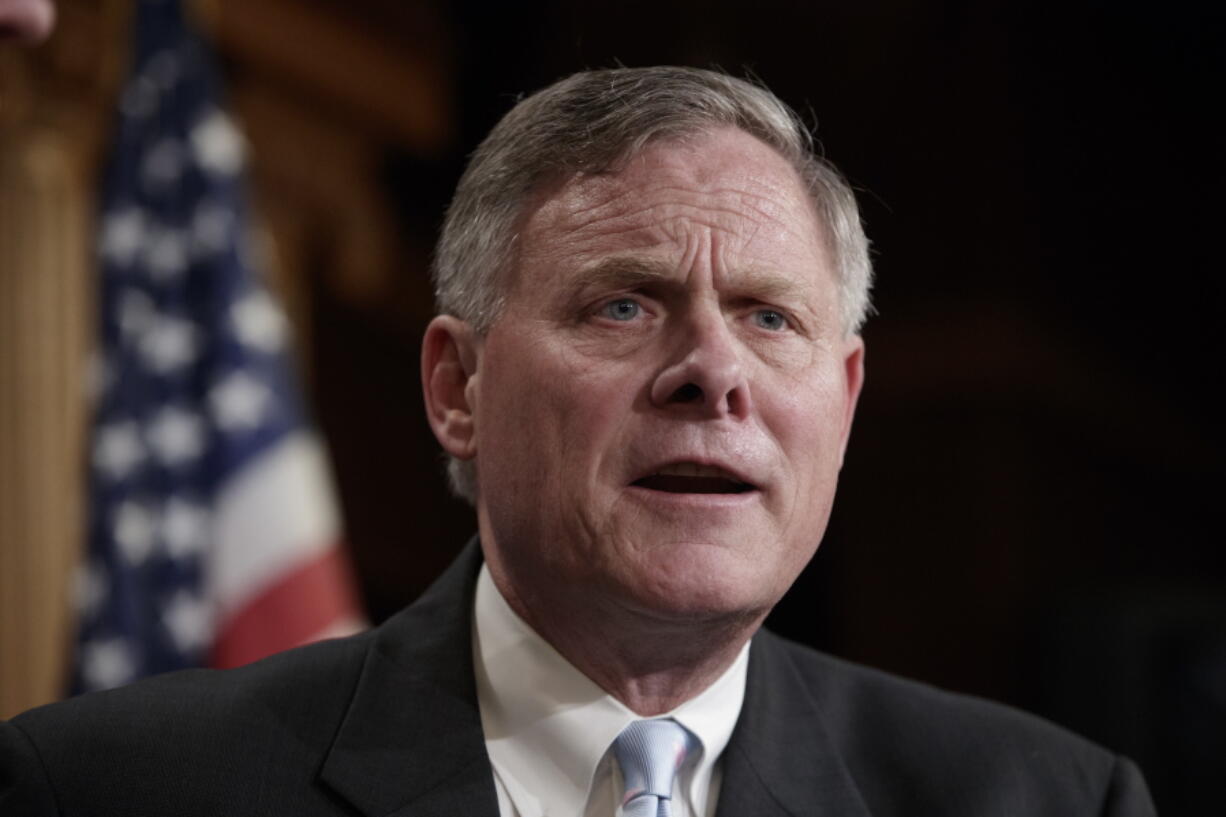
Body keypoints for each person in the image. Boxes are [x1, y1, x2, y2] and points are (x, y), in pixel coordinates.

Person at [0, 66, 1155, 816]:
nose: (713, 370)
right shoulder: (110, 790)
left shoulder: (1046, 799)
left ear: (843, 402)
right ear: (457, 385)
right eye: (623, 304)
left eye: (769, 316)